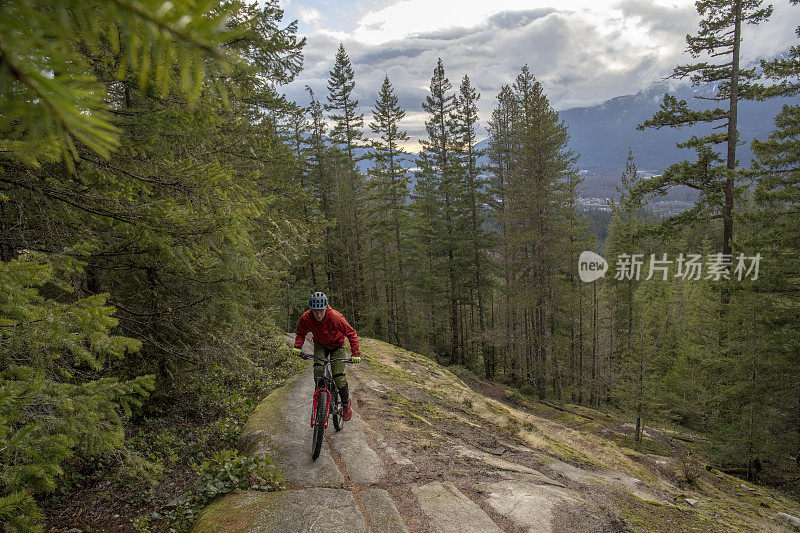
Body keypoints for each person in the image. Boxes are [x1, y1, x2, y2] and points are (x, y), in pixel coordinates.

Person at [292, 292, 361, 421]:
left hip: (337, 346)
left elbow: (351, 334)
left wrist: (355, 353)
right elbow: (301, 333)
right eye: (315, 311)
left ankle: (346, 404)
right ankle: (321, 399)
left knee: (338, 376)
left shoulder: (335, 317)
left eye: (321, 311)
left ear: (326, 308)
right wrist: (297, 347)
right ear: (311, 310)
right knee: (318, 371)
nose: (318, 315)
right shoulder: (306, 317)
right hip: (320, 345)